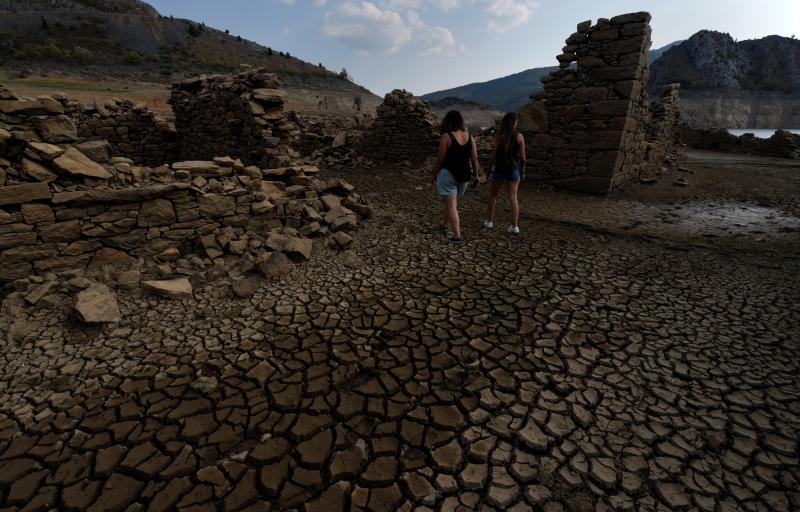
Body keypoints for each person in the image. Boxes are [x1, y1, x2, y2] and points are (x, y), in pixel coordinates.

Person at [432, 110, 480, 245]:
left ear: (447, 121)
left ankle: (457, 236)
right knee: (451, 203)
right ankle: (443, 224)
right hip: (464, 176)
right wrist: (476, 175)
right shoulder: (470, 137)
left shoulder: (446, 137)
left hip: (448, 174)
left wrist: (434, 175)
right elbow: (474, 158)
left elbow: (440, 159)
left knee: (451, 205)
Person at [484, 112, 526, 234]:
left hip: (500, 169)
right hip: (514, 169)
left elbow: (493, 156)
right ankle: (515, 226)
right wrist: (522, 171)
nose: (517, 122)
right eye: (516, 121)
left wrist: (488, 170)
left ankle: (489, 222)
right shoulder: (519, 137)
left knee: (493, 196)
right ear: (514, 123)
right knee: (513, 197)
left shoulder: (499, 136)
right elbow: (523, 158)